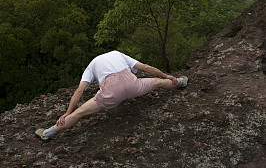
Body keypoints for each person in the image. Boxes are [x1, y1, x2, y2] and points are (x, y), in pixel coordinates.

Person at [35, 50, 188, 142]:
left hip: (111, 93)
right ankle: (180, 82)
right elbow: (146, 68)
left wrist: (67, 112)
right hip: (132, 85)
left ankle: (47, 133)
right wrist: (166, 75)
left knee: (79, 113)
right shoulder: (117, 54)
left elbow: (79, 91)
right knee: (157, 82)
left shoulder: (92, 65)